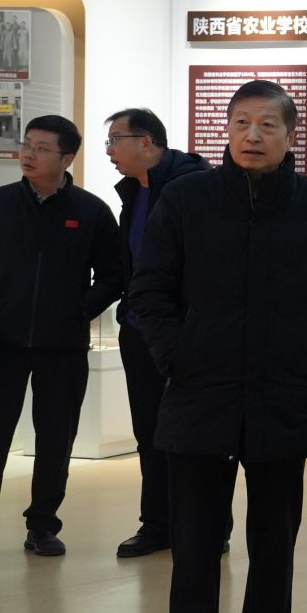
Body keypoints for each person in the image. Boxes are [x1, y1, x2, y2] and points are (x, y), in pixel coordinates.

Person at [130, 80, 307, 613]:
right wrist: (179, 358)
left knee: (274, 547)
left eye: (267, 124)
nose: (252, 135)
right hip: (199, 398)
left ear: (291, 135)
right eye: (240, 123)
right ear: (226, 131)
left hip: (282, 397)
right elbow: (150, 292)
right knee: (195, 552)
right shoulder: (187, 199)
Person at [0, 115, 123, 564]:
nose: (28, 154)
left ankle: (42, 526)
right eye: (26, 145)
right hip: (1, 344)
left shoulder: (91, 211)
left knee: (56, 439)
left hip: (64, 347)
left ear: (66, 158)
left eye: (41, 148)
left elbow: (116, 274)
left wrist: (79, 309)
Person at [104, 108, 211, 559]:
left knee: (195, 436)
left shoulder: (194, 187)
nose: (109, 150)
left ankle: (207, 528)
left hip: (185, 333)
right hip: (139, 331)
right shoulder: (134, 190)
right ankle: (158, 524)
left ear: (146, 143)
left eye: (116, 140)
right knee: (148, 431)